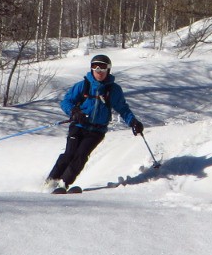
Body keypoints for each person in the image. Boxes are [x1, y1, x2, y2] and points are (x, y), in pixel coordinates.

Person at [46, 54, 144, 193]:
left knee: (81, 155)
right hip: (79, 126)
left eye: (102, 67)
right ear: (91, 69)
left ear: (108, 70)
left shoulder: (113, 90)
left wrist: (133, 122)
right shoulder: (83, 85)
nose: (98, 71)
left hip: (96, 131)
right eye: (95, 66)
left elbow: (122, 108)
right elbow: (66, 101)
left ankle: (64, 184)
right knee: (69, 154)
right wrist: (74, 111)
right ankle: (50, 181)